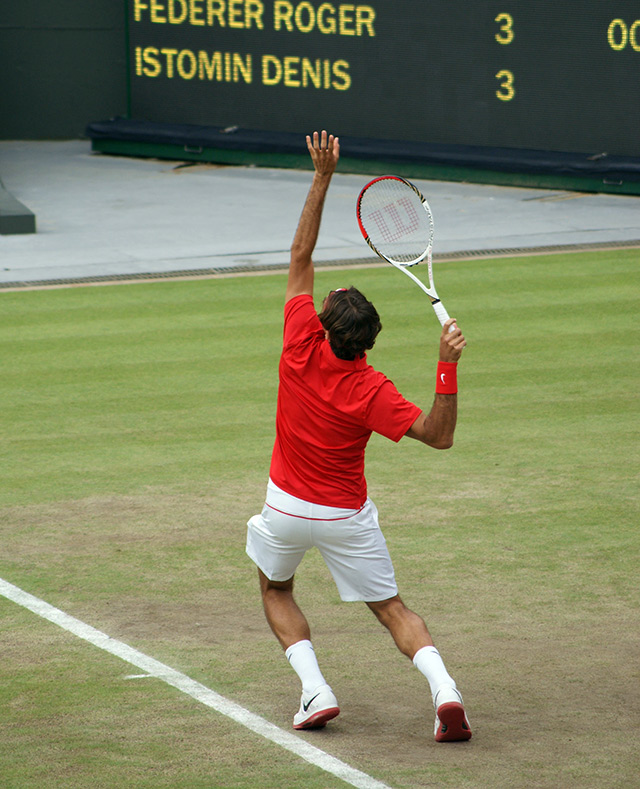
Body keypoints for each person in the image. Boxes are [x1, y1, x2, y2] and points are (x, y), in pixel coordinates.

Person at [246, 130, 471, 743]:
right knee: (393, 610)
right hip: (346, 517)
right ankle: (446, 692)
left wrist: (322, 176)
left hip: (286, 509)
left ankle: (315, 690)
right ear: (367, 342)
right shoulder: (373, 389)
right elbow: (438, 436)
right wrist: (446, 365)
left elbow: (300, 255)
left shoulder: (299, 340)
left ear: (325, 326)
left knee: (275, 588)